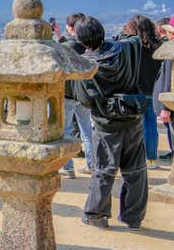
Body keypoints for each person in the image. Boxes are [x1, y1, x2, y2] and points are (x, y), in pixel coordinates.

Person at [71, 16, 148, 230]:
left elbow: (85, 101)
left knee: (104, 170)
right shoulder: (128, 49)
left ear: (80, 39)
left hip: (106, 123)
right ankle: (134, 218)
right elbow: (133, 39)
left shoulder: (86, 65)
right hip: (132, 117)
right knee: (136, 170)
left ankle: (97, 214)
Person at [118, 15, 162, 169]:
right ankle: (152, 158)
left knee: (140, 125)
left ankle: (141, 157)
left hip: (138, 91)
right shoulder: (158, 45)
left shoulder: (132, 46)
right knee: (152, 125)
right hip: (154, 89)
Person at [59, 12, 93, 178]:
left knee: (65, 131)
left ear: (71, 28)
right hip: (84, 94)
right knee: (87, 130)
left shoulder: (67, 46)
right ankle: (91, 164)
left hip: (67, 94)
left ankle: (68, 167)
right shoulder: (89, 45)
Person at [154, 15, 174, 161]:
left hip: (172, 101)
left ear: (173, 33)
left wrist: (165, 107)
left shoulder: (173, 51)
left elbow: (168, 79)